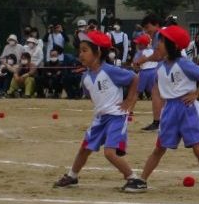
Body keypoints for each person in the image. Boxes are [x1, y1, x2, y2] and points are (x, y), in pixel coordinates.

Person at [51, 30, 145, 193]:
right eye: (80, 50)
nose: (81, 54)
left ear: (98, 52)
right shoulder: (85, 77)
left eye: (85, 50)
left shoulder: (110, 70)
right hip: (100, 118)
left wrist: (129, 101)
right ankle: (72, 176)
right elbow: (92, 95)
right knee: (84, 148)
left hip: (116, 117)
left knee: (109, 153)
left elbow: (134, 78)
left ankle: (134, 178)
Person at [138, 26, 199, 194]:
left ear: (173, 46)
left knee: (198, 148)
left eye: (161, 41)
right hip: (169, 109)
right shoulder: (159, 67)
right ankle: (142, 180)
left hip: (187, 108)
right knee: (159, 147)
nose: (157, 44)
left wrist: (196, 94)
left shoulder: (183, 63)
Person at [130, 15, 165, 132]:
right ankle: (160, 121)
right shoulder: (159, 35)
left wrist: (142, 60)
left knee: (156, 93)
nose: (146, 31)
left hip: (166, 67)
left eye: (147, 27)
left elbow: (158, 55)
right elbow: (158, 56)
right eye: (144, 28)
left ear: (156, 25)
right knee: (158, 93)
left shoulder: (160, 35)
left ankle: (158, 122)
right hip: (162, 68)